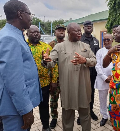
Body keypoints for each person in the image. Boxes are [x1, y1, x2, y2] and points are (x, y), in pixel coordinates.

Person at [42, 22, 96, 131]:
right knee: (67, 117)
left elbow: (94, 61)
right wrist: (46, 60)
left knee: (85, 115)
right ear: (69, 32)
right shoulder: (59, 46)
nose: (79, 33)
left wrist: (85, 60)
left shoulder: (85, 46)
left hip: (83, 87)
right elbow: (51, 62)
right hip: (68, 88)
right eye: (76, 31)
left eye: (80, 30)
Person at [0, 1, 42, 131]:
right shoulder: (10, 38)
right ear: (20, 14)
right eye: (30, 14)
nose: (31, 17)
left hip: (15, 106)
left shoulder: (15, 34)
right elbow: (14, 80)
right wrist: (25, 110)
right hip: (15, 109)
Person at [26, 25, 58, 131]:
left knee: (44, 106)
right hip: (27, 85)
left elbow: (54, 64)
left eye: (38, 32)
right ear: (27, 34)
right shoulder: (24, 46)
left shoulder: (46, 47)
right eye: (33, 32)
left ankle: (45, 126)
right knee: (27, 108)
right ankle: (27, 127)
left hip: (44, 83)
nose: (36, 34)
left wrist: (54, 81)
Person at [78, 20, 99, 123]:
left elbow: (97, 56)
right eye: (87, 26)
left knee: (91, 92)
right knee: (82, 92)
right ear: (84, 28)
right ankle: (80, 115)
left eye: (90, 26)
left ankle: (90, 111)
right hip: (82, 71)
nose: (89, 27)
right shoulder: (80, 40)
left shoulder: (96, 41)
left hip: (93, 72)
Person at [49, 24, 66, 129]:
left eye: (63, 30)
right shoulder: (50, 45)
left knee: (65, 99)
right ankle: (54, 118)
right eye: (59, 30)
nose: (61, 32)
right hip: (55, 78)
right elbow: (48, 63)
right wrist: (52, 80)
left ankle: (66, 117)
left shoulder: (68, 44)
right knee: (54, 100)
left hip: (66, 78)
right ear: (55, 32)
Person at [94, 34, 113, 126]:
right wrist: (105, 77)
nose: (106, 41)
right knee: (102, 100)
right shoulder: (100, 51)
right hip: (102, 80)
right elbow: (97, 66)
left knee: (114, 99)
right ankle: (104, 116)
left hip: (114, 80)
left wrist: (112, 77)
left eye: (108, 39)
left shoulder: (116, 51)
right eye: (104, 39)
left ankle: (113, 116)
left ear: (112, 40)